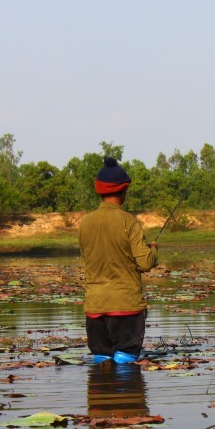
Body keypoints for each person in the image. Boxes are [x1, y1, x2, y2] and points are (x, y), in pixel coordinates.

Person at [79, 156, 158, 364]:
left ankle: (103, 393)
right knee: (126, 362)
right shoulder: (129, 222)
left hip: (95, 307)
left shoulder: (85, 223)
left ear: (99, 190)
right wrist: (153, 251)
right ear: (124, 190)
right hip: (126, 306)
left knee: (102, 360)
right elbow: (145, 263)